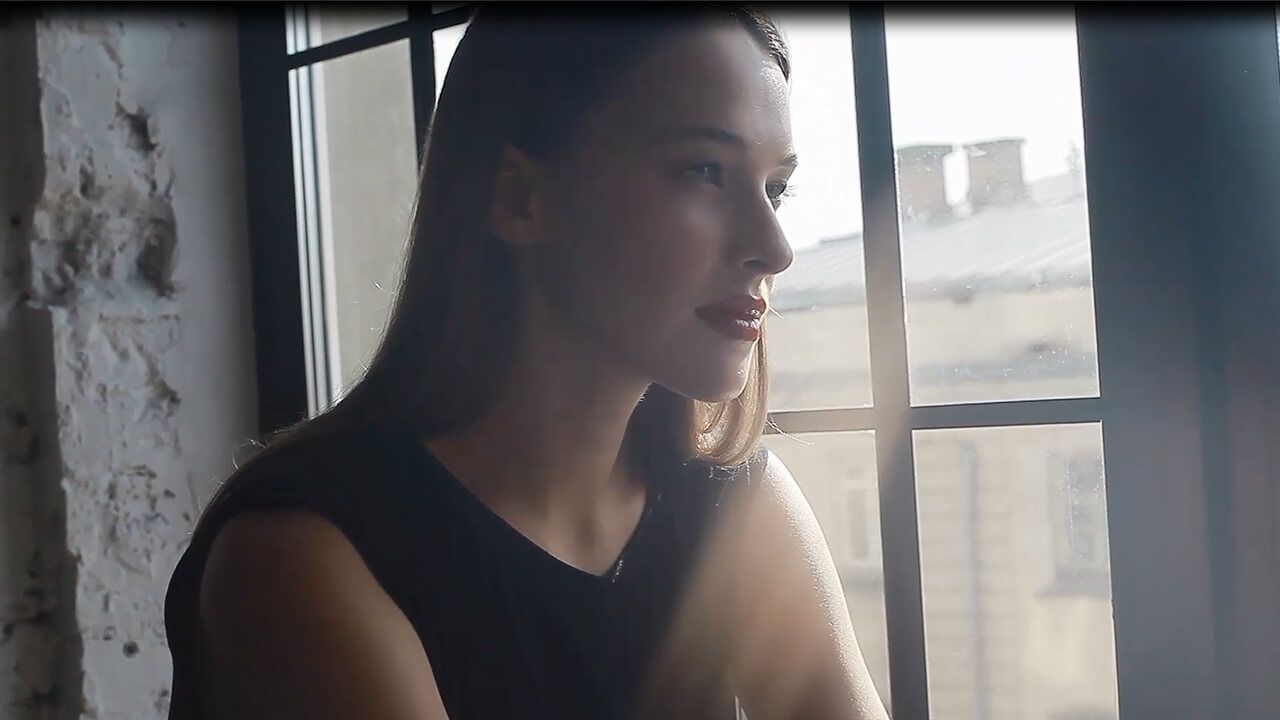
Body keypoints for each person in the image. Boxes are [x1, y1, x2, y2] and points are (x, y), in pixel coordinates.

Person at [164, 4, 889, 719]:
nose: (775, 248)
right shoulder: (302, 552)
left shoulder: (732, 503)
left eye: (775, 189)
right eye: (704, 170)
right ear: (520, 198)